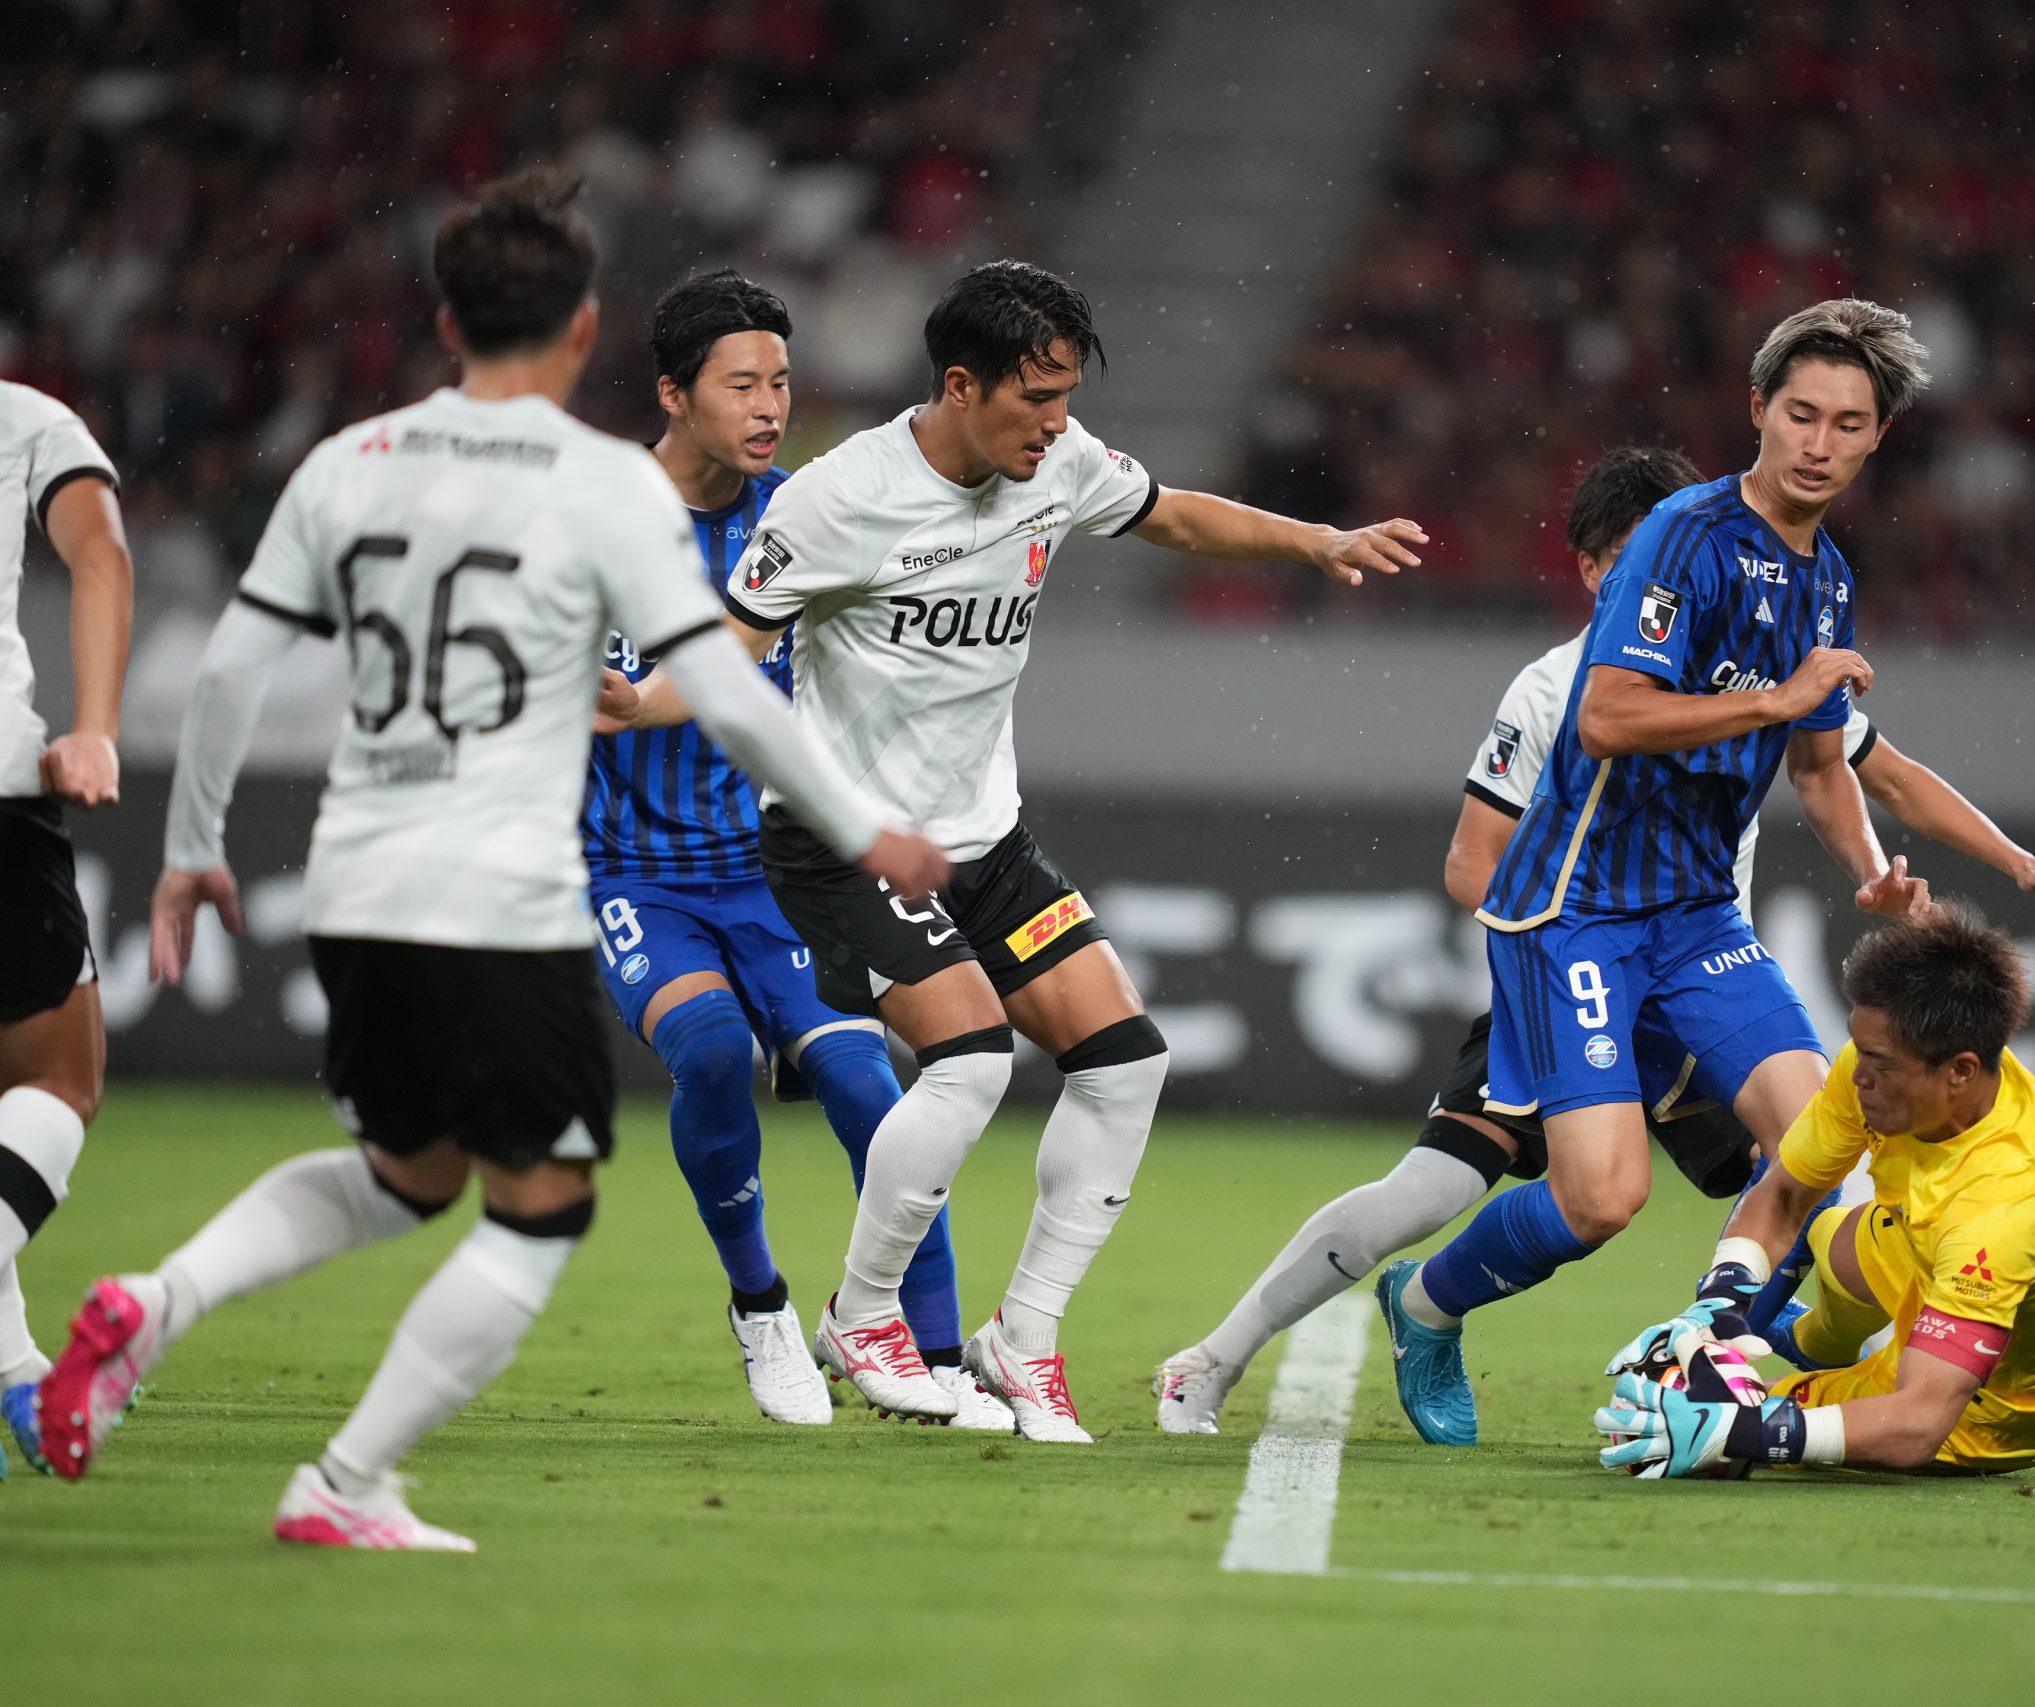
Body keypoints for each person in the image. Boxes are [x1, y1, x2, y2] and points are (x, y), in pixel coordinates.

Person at [36, 170, 941, 1549]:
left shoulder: (351, 460)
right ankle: (344, 1480)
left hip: (355, 873)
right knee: (539, 1202)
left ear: (448, 320)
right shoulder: (598, 487)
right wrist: (859, 817)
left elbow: (227, 668)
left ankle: (158, 1304)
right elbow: (730, 684)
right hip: (502, 884)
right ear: (586, 334)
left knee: (405, 1165)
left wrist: (191, 847)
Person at [601, 259, 1426, 1443]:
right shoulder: (837, 501)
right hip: (850, 846)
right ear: (958, 385)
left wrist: (1315, 542)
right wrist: (635, 702)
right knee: (972, 1062)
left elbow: (1173, 513)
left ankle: (1020, 1335)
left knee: (1125, 1061)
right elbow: (730, 650)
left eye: (1066, 397)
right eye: (1035, 399)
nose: (1059, 424)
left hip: (984, 841)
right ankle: (865, 1315)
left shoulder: (1062, 464)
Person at [1156, 446, 2035, 1435]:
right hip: (1571, 968)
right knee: (1449, 1187)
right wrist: (1565, 965)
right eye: (1640, 559)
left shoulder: (1758, 644)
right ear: (1591, 572)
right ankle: (1221, 1357)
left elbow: (1873, 770)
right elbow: (1471, 867)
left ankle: (1763, 1359)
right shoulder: (1555, 690)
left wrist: (2013, 860)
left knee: (1828, 1156)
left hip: (1696, 967)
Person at [1376, 299, 1936, 1448]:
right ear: (1757, 411)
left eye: (1847, 422)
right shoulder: (1682, 534)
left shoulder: (1827, 579)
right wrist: (1774, 699)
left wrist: (1871, 871)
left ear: (1877, 438)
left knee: (1828, 1148)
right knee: (1603, 1198)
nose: (1818, 443)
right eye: (1799, 414)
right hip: (1572, 909)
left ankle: (1711, 1359)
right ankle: (1424, 1305)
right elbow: (1607, 714)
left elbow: (1822, 767)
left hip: (1693, 917)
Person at [585, 269, 1002, 1428]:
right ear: (674, 393)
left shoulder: (806, 517)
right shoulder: (599, 521)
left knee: (874, 1088)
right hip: (637, 874)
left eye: (780, 379)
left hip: (779, 871)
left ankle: (936, 1356)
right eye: (741, 383)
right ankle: (761, 1306)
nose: (769, 403)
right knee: (712, 1053)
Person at [1595, 906, 2035, 1477]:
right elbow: (1786, 1195)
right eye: (1858, 1048)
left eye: (1880, 1064)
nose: (1857, 1076)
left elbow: (1920, 1422)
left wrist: (1748, 1430)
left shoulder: (2002, 1208)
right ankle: (1811, 1339)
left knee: (1708, 1432)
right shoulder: (1911, 1059)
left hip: (1991, 1404)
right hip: (1928, 1242)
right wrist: (1720, 1303)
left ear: (1961, 1073)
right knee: (1829, 1237)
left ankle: (1803, 1377)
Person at [0, 378, 132, 1476]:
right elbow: (99, 554)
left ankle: (13, 1374)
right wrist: (93, 726)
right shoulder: (25, 420)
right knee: (55, 1080)